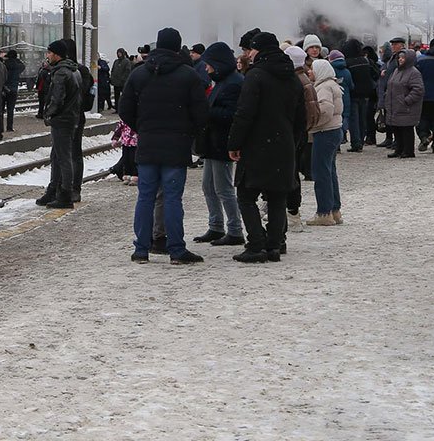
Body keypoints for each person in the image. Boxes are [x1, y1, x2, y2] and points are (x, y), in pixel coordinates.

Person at [119, 27, 208, 264]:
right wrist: (187, 132)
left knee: (145, 197)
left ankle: (141, 249)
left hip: (147, 145)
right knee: (172, 199)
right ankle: (176, 250)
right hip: (176, 147)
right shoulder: (188, 75)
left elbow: (124, 109)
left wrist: (142, 127)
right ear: (178, 47)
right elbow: (201, 113)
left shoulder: (139, 74)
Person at [228, 32, 306, 263]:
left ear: (259, 50)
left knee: (245, 194)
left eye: (251, 50)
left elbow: (244, 113)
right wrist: (293, 141)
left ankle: (256, 245)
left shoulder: (256, 76)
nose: (249, 54)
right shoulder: (292, 77)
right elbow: (301, 117)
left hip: (256, 145)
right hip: (284, 145)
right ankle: (274, 246)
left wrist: (234, 143)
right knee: (277, 196)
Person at [193, 41, 245, 247]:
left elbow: (233, 115)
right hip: (213, 142)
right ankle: (216, 225)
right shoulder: (225, 81)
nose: (206, 68)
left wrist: (207, 112)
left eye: (209, 64)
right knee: (208, 186)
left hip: (222, 143)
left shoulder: (233, 83)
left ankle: (235, 229)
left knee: (223, 188)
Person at [37, 39, 82, 209]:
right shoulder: (73, 70)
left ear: (56, 54)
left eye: (49, 53)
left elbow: (57, 98)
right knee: (57, 156)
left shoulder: (61, 73)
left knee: (63, 158)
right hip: (70, 118)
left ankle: (64, 195)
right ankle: (53, 190)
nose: (47, 56)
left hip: (62, 120)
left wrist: (48, 113)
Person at [304, 58, 345, 228]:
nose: (309, 72)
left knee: (320, 172)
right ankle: (334, 210)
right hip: (334, 131)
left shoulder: (323, 87)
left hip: (325, 132)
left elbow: (326, 110)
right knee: (329, 171)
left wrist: (311, 124)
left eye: (312, 69)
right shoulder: (331, 84)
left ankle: (324, 212)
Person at [284, 45, 317, 231]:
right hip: (300, 132)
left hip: (295, 133)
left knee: (292, 174)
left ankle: (293, 214)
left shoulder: (298, 81)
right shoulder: (304, 79)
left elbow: (310, 111)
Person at [62, 38, 94, 203]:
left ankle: (75, 188)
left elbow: (82, 94)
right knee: (64, 153)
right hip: (66, 118)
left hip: (74, 117)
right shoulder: (60, 70)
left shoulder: (81, 71)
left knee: (74, 153)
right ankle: (65, 187)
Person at [384, 48, 424, 161]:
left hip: (406, 107)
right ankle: (399, 149)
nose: (400, 60)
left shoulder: (414, 72)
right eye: (399, 57)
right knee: (397, 128)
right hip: (395, 106)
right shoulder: (396, 71)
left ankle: (408, 150)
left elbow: (418, 89)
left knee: (406, 129)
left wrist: (406, 100)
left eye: (403, 58)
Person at [343, 39, 376, 153]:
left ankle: (356, 143)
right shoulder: (365, 61)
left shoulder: (347, 62)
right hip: (365, 93)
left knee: (354, 119)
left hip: (353, 94)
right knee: (362, 119)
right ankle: (361, 140)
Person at [377, 37, 404, 148]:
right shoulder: (391, 58)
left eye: (395, 44)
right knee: (388, 115)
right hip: (387, 90)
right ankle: (389, 138)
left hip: (395, 91)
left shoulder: (401, 57)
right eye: (392, 44)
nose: (393, 46)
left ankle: (397, 140)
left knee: (395, 116)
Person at [328, 50, 354, 148]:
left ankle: (337, 145)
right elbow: (351, 86)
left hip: (334, 97)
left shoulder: (331, 70)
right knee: (345, 117)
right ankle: (343, 135)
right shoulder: (347, 71)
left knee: (335, 120)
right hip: (346, 97)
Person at [3, 50, 25, 132]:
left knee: (0, 109)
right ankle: (9, 127)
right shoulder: (18, 66)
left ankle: (0, 127)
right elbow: (23, 66)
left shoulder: (4, 65)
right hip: (13, 89)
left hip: (4, 88)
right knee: (10, 109)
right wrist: (17, 60)